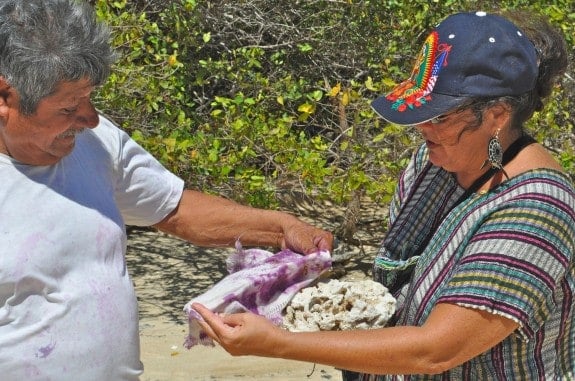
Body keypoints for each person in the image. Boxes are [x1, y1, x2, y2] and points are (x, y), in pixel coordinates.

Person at [192, 10, 575, 380]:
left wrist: (281, 343)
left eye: (440, 115)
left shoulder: (537, 209)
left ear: (497, 115)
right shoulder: (435, 162)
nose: (422, 127)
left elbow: (437, 350)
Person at [0, 1, 333, 380]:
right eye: (69, 107)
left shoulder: (99, 142)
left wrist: (280, 228)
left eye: (90, 98)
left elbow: (175, 209)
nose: (90, 119)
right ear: (3, 98)